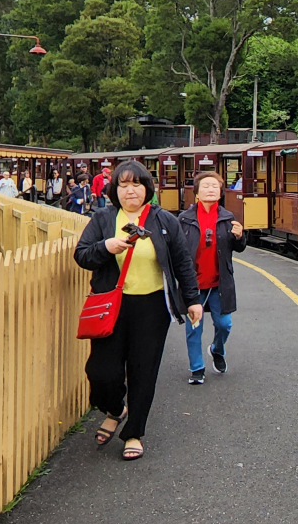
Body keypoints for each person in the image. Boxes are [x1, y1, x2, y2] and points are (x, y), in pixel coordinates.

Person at [74, 160, 201, 461]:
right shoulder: (104, 219)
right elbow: (82, 255)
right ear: (114, 189)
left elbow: (182, 261)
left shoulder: (163, 220)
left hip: (153, 307)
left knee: (143, 372)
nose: (131, 191)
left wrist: (193, 299)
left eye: (137, 184)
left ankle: (134, 432)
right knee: (101, 371)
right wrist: (107, 246)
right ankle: (116, 408)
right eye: (124, 185)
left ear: (147, 188)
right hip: (112, 305)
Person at [178, 170, 247, 383]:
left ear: (220, 193)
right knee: (194, 328)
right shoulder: (184, 219)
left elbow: (240, 247)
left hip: (219, 282)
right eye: (206, 186)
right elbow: (177, 250)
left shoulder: (227, 218)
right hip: (193, 285)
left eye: (215, 187)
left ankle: (217, 349)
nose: (211, 190)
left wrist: (240, 236)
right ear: (196, 193)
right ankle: (197, 369)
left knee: (224, 324)